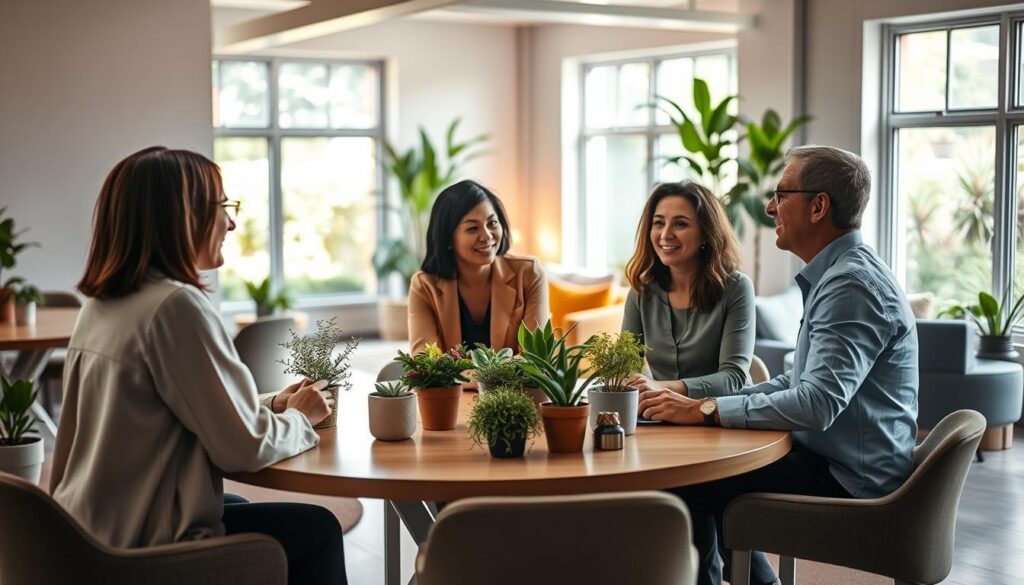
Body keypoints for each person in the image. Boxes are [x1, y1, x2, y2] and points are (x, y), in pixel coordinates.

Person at [50, 146, 347, 585]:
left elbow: (184, 408)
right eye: (222, 207)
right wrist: (301, 417)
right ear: (182, 216)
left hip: (85, 532)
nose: (230, 222)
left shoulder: (103, 304)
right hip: (140, 550)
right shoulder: (175, 306)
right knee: (317, 529)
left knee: (238, 507)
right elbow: (241, 447)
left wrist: (272, 404)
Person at [638, 146, 919, 585]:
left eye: (781, 194)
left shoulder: (849, 285)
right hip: (840, 461)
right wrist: (703, 405)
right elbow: (797, 380)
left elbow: (816, 404)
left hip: (848, 482)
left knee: (684, 482)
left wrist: (707, 410)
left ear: (818, 206)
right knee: (697, 467)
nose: (769, 207)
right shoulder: (840, 274)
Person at [621, 180, 755, 397]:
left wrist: (660, 386)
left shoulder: (736, 288)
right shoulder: (642, 290)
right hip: (660, 419)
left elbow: (733, 378)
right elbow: (625, 367)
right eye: (658, 223)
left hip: (720, 417)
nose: (665, 235)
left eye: (680, 224)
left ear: (706, 234)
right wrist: (637, 383)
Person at [408, 179, 549, 354]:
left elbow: (537, 357)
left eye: (492, 223)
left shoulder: (529, 273)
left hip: (515, 383)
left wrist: (477, 377)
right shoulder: (424, 286)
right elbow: (424, 362)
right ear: (448, 238)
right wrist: (474, 377)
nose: (487, 236)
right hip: (449, 384)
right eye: (473, 228)